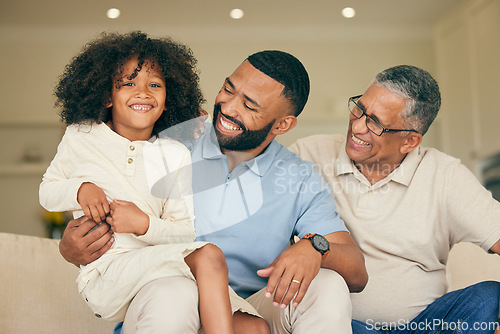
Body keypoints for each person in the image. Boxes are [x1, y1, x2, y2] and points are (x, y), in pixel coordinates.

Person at [59, 50, 369, 333]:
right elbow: (109, 200)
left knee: (328, 285)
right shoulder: (172, 139)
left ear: (283, 124)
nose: (228, 107)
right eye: (228, 89)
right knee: (175, 293)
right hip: (164, 298)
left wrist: (316, 247)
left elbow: (356, 272)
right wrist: (72, 248)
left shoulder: (298, 177)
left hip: (249, 312)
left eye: (249, 105)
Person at [39, 31, 268, 334]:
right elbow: (47, 190)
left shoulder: (173, 154)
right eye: (129, 83)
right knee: (209, 254)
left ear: (167, 99)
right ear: (107, 95)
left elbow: (184, 232)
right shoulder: (82, 136)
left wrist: (142, 224)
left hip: (162, 267)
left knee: (255, 329)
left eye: (155, 85)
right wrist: (80, 189)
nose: (143, 92)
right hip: (107, 274)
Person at [289, 64, 500, 333]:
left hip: (425, 326)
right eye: (359, 108)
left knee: (488, 297)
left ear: (409, 142)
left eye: (375, 123)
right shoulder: (309, 153)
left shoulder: (446, 175)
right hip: (345, 325)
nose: (357, 126)